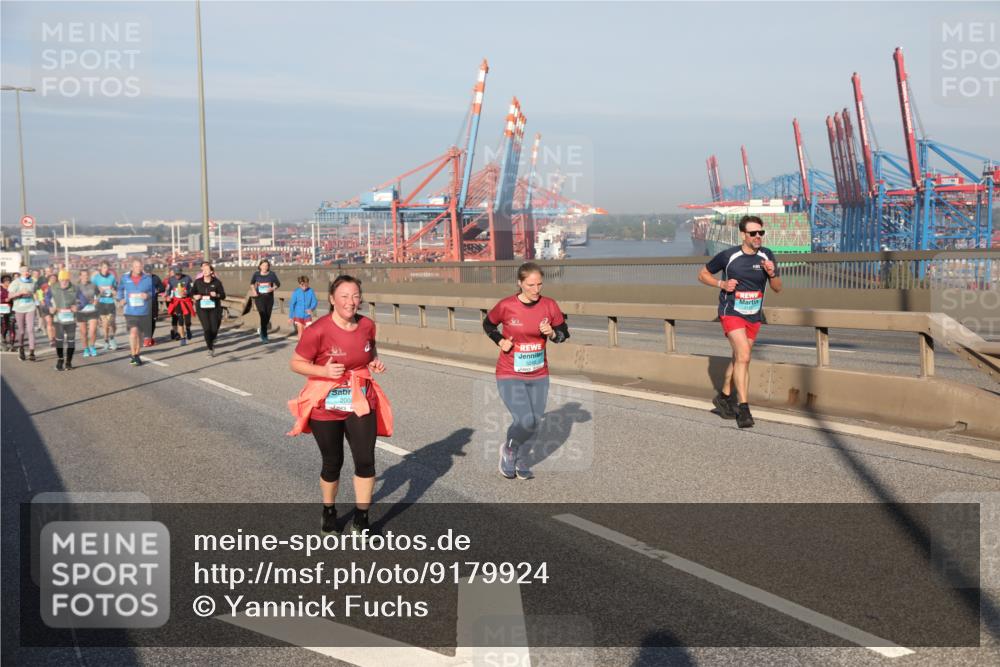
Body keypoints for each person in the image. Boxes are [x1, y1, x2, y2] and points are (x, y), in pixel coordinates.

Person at [288, 275, 391, 536]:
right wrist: (323, 370)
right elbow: (296, 363)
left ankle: (361, 517)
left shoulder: (367, 325)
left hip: (360, 401)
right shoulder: (317, 330)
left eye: (356, 295)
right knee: (333, 462)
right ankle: (329, 510)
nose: (351, 301)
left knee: (366, 460)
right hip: (326, 404)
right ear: (332, 300)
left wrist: (373, 363)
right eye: (344, 296)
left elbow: (369, 351)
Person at [483, 262, 570, 480]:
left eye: (539, 284)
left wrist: (551, 333)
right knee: (526, 419)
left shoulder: (549, 305)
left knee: (534, 421)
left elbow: (563, 334)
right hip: (510, 372)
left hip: (539, 373)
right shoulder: (506, 306)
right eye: (530, 285)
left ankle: (519, 454)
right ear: (520, 283)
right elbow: (488, 325)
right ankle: (509, 451)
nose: (536, 290)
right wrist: (500, 340)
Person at [698, 215, 782, 429]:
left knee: (739, 359)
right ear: (743, 235)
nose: (757, 237)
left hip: (754, 315)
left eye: (760, 233)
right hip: (731, 311)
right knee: (744, 355)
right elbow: (703, 274)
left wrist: (772, 273)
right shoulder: (729, 255)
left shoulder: (767, 255)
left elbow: (778, 287)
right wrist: (721, 284)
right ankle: (743, 408)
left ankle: (724, 397)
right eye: (753, 233)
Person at [116, 258, 155, 367]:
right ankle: (134, 355)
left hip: (144, 311)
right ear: (132, 267)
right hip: (130, 311)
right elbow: (119, 290)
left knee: (140, 335)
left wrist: (148, 295)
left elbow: (153, 291)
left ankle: (137, 353)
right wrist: (120, 299)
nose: (138, 268)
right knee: (133, 332)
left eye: (140, 266)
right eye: (136, 266)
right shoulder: (125, 278)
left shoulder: (147, 279)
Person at [45, 270, 79, 371]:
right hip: (58, 319)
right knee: (59, 340)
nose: (64, 282)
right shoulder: (53, 288)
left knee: (71, 341)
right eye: (62, 280)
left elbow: (84, 300)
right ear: (59, 280)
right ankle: (60, 360)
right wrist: (50, 306)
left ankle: (68, 362)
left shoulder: (75, 288)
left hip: (71, 319)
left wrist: (78, 306)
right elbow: (47, 298)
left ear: (69, 280)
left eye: (66, 280)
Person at [190, 262, 225, 356]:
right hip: (202, 308)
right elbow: (191, 293)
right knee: (207, 329)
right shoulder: (198, 282)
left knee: (214, 329)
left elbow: (223, 295)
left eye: (207, 270)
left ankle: (212, 340)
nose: (205, 271)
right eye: (203, 270)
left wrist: (216, 295)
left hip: (214, 308)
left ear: (211, 271)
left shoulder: (217, 282)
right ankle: (210, 348)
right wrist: (194, 296)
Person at [8, 266, 36, 361]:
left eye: (28, 270)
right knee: (22, 331)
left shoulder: (32, 281)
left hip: (30, 307)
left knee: (31, 329)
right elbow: (9, 296)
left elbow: (35, 292)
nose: (28, 272)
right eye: (25, 271)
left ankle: (32, 352)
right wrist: (19, 293)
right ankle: (21, 348)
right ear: (21, 272)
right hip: (19, 308)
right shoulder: (16, 282)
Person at [250, 259, 280, 343]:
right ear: (260, 266)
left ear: (268, 267)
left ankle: (262, 329)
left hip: (269, 298)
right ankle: (264, 336)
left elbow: (278, 284)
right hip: (259, 298)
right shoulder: (256, 274)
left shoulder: (272, 274)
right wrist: (254, 291)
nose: (265, 267)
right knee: (263, 315)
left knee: (267, 316)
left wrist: (272, 288)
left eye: (266, 266)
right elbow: (252, 283)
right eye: (263, 265)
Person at [92, 261, 118, 351]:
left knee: (112, 323)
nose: (105, 270)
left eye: (107, 268)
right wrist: (97, 292)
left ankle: (112, 338)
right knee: (105, 324)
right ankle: (106, 340)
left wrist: (114, 292)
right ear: (100, 268)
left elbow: (115, 289)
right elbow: (91, 288)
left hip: (110, 302)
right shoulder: (96, 278)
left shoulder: (112, 277)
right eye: (103, 267)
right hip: (101, 303)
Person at [75, 269, 100, 357]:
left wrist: (96, 300)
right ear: (80, 276)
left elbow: (98, 294)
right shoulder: (76, 287)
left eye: (86, 275)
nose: (85, 277)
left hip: (92, 311)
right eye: (83, 275)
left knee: (93, 331)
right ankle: (86, 349)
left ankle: (92, 347)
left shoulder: (93, 285)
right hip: (81, 311)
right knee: (83, 332)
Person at [166, 264, 194, 343]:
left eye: (179, 274)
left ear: (181, 272)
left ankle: (188, 329)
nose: (177, 276)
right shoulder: (171, 280)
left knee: (187, 320)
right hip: (177, 301)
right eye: (176, 274)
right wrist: (167, 296)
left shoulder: (187, 278)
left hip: (186, 301)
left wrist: (187, 292)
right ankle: (183, 338)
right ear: (174, 273)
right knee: (180, 319)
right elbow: (168, 289)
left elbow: (192, 288)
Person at [145, 265, 165, 347]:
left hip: (153, 302)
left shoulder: (155, 278)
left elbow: (162, 288)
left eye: (149, 272)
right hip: (144, 303)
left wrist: (158, 290)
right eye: (146, 272)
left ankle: (149, 337)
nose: (148, 274)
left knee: (153, 321)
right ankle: (146, 338)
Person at [37, 274, 57, 348]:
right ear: (49, 279)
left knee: (54, 324)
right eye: (51, 278)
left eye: (54, 278)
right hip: (46, 307)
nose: (53, 279)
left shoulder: (58, 286)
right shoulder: (45, 286)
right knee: (49, 322)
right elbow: (39, 293)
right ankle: (51, 340)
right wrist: (42, 300)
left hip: (55, 307)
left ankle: (54, 338)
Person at [0, 275, 14, 352]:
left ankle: (12, 344)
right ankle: (3, 343)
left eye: (9, 281)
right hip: (3, 310)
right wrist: (5, 299)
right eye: (6, 281)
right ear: (3, 282)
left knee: (12, 327)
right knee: (4, 327)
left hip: (12, 310)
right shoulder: (1, 289)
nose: (8, 282)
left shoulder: (12, 289)